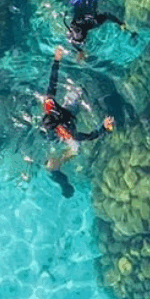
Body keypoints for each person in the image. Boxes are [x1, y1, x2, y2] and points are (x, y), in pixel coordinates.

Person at [41, 46, 114, 197]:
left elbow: (52, 82)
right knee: (76, 150)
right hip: (64, 130)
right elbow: (89, 136)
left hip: (68, 114)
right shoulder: (66, 132)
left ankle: (54, 165)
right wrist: (104, 127)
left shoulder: (49, 105)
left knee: (78, 91)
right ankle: (58, 172)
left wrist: (56, 60)